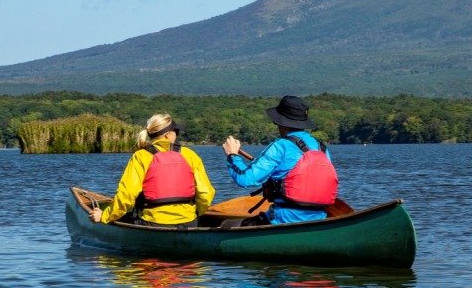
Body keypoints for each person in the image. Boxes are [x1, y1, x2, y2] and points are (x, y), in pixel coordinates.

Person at [221, 95, 338, 223]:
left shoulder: (280, 146)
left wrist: (232, 155)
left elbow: (245, 179)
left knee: (227, 223)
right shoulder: (322, 148)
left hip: (283, 219)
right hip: (319, 218)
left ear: (280, 122)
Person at [88, 113, 216, 228]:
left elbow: (126, 196)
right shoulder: (190, 155)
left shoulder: (141, 156)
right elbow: (206, 193)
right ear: (167, 134)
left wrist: (104, 216)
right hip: (189, 222)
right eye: (176, 131)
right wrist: (197, 212)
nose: (177, 134)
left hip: (152, 222)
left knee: (126, 215)